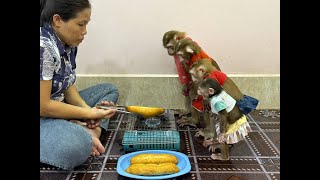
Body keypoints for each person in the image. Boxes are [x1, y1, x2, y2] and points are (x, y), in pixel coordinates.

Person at [40, 0, 119, 170]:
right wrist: (88, 112)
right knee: (77, 146)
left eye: (86, 24)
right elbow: (43, 107)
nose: (84, 32)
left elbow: (67, 86)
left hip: (57, 106)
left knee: (109, 90)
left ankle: (90, 130)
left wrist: (88, 115)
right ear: (57, 20)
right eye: (81, 24)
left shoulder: (66, 42)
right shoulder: (43, 47)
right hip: (43, 116)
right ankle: (81, 134)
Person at [197, 78, 252, 160]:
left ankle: (224, 156)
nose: (199, 92)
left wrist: (222, 132)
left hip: (232, 121)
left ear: (211, 91)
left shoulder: (217, 101)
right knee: (219, 131)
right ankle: (214, 141)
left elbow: (223, 115)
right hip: (234, 116)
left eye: (202, 92)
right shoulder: (221, 92)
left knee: (223, 138)